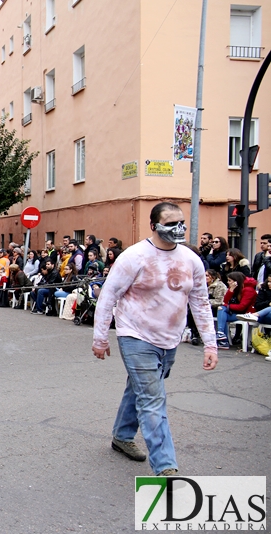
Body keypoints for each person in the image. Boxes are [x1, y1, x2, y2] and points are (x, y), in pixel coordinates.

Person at [92, 202, 217, 477]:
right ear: (154, 225)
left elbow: (200, 303)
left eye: (181, 222)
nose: (178, 228)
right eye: (171, 223)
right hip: (135, 335)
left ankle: (122, 436)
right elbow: (108, 296)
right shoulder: (134, 256)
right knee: (152, 398)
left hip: (170, 339)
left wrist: (210, 343)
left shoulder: (191, 260)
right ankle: (165, 466)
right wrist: (100, 337)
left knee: (139, 388)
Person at [215, 271, 257, 349]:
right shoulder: (235, 288)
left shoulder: (248, 290)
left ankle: (223, 340)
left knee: (222, 309)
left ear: (236, 281)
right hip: (236, 313)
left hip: (246, 314)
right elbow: (225, 301)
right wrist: (230, 290)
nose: (228, 282)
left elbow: (242, 307)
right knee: (222, 311)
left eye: (230, 280)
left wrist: (227, 306)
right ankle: (222, 336)